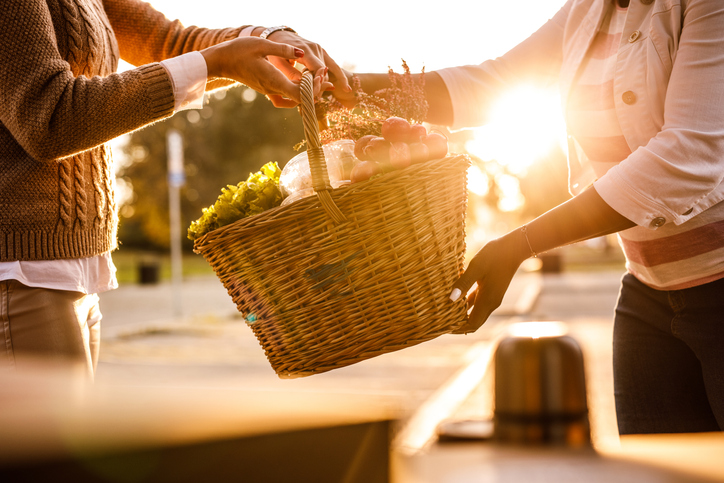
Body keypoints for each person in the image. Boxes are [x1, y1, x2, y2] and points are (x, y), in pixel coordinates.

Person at [338, 0, 724, 435]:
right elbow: (495, 84)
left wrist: (520, 243)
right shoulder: (589, 10)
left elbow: (688, 154)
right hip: (648, 296)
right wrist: (350, 88)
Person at [0, 0, 348, 379]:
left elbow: (167, 40)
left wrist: (264, 40)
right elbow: (50, 118)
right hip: (20, 271)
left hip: (73, 266)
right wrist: (219, 63)